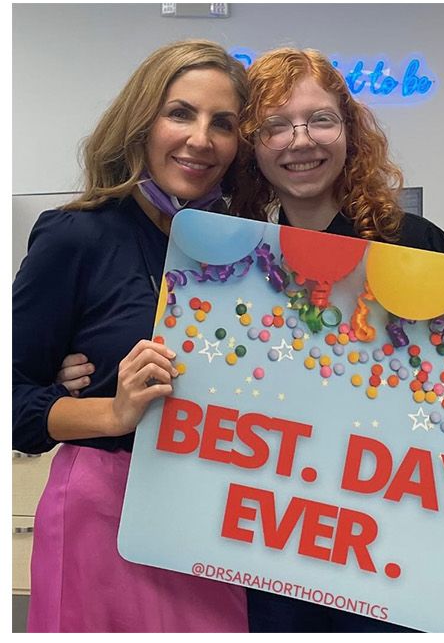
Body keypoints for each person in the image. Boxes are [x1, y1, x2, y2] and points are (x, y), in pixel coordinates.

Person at [227, 46, 444, 633]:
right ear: (252, 145)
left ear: (350, 131)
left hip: (400, 537)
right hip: (269, 533)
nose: (299, 141)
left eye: (320, 119)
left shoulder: (414, 244)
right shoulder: (236, 256)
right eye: (275, 126)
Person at [12, 39, 254, 633]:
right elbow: (13, 400)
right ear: (141, 123)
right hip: (105, 516)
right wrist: (110, 411)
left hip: (214, 518)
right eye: (180, 113)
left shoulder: (240, 250)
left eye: (222, 123)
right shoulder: (77, 235)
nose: (201, 138)